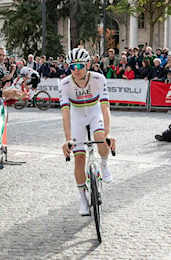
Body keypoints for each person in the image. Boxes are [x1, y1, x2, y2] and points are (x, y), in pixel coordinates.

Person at [59, 47, 116, 216]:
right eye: (72, 67)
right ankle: (83, 199)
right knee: (79, 159)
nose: (76, 70)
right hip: (76, 116)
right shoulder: (65, 84)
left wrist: (108, 133)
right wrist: (68, 138)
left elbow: (105, 107)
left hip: (94, 111)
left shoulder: (98, 79)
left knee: (101, 137)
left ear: (88, 64)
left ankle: (104, 164)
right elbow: (65, 112)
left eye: (80, 66)